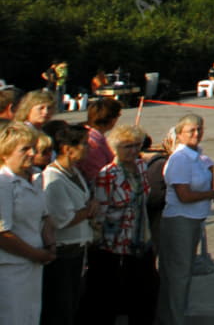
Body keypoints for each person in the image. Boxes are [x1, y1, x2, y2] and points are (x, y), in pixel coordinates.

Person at [84, 122, 156, 325]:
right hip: (114, 247)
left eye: (136, 145)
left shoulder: (142, 167)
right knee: (109, 301)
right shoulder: (108, 174)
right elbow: (99, 216)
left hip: (142, 240)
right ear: (115, 148)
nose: (133, 150)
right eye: (127, 146)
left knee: (145, 296)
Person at [158, 114, 214, 325]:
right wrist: (210, 194)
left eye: (199, 129)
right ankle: (174, 319)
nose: (196, 134)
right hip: (179, 219)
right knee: (178, 275)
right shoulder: (180, 158)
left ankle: (174, 316)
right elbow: (184, 196)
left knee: (182, 274)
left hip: (194, 219)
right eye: (191, 130)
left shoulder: (198, 156)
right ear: (180, 134)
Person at [42, 121, 98, 323]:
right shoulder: (53, 178)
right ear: (67, 149)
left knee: (73, 305)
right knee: (60, 308)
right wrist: (88, 211)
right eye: (83, 144)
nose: (88, 148)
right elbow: (61, 219)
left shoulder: (75, 172)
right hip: (63, 251)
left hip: (79, 247)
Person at [0, 122, 52, 323]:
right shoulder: (3, 183)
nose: (32, 153)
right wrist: (38, 254)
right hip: (9, 269)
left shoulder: (35, 177)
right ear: (5, 153)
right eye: (24, 149)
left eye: (33, 147)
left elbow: (45, 216)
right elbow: (3, 234)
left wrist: (50, 244)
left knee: (31, 317)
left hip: (34, 266)